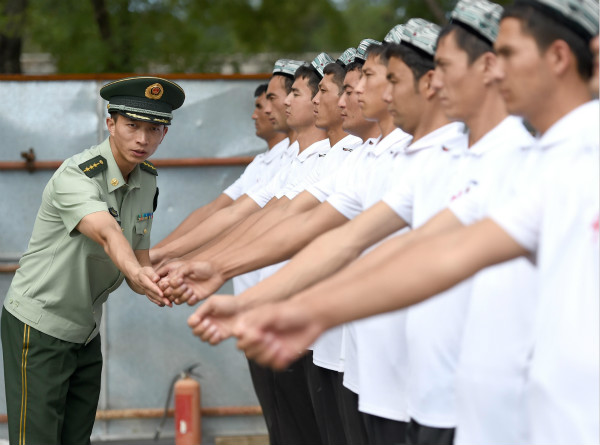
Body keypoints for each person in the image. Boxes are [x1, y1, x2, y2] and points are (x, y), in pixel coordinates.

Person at [233, 1, 599, 443]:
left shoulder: (563, 157)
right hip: (481, 412)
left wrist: (301, 310)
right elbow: (426, 252)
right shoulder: (536, 159)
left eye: (506, 56)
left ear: (559, 57)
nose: (495, 72)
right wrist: (301, 309)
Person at [1, 76, 184, 444]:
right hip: (39, 325)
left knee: (76, 439)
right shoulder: (77, 175)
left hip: (86, 329)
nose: (142, 139)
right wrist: (136, 269)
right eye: (132, 125)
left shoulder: (147, 180)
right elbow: (107, 233)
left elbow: (139, 257)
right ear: (110, 123)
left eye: (154, 129)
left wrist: (157, 283)